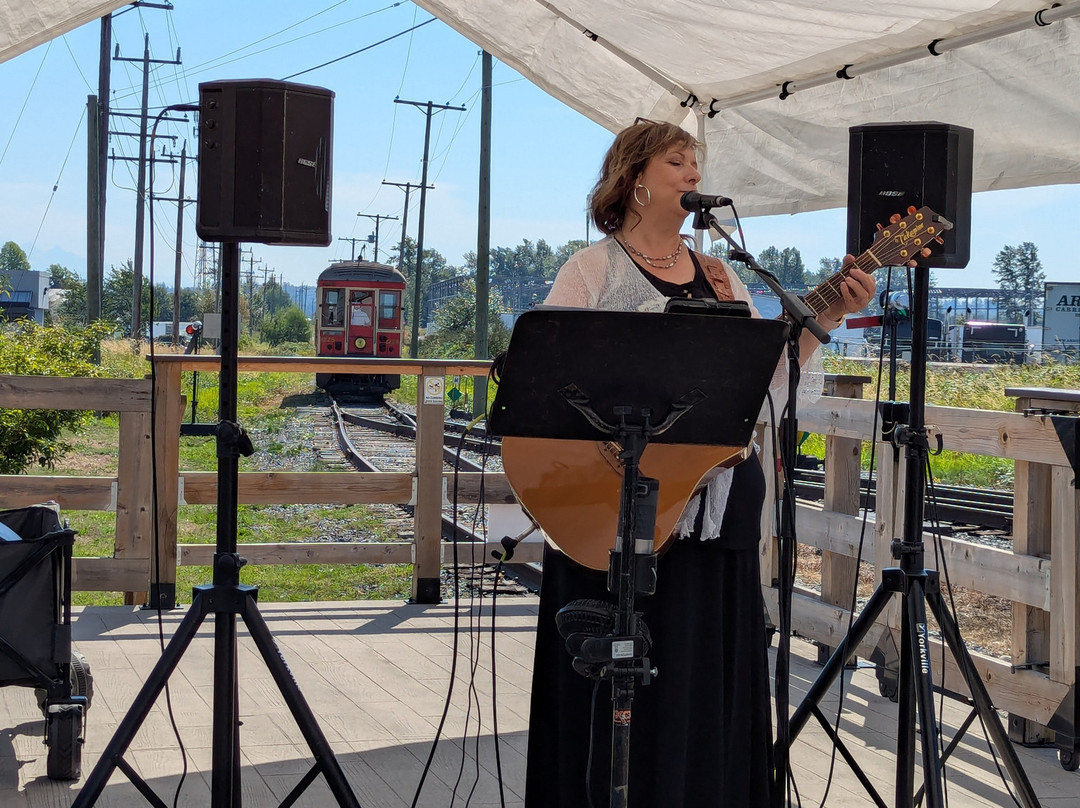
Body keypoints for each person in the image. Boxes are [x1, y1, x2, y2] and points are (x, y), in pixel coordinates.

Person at [522, 119, 876, 807]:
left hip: (710, 516)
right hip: (610, 514)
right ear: (634, 178)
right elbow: (548, 388)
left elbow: (760, 388)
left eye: (696, 163)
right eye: (677, 161)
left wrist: (823, 321)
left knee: (696, 675)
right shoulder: (590, 270)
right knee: (614, 683)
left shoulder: (721, 276)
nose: (693, 174)